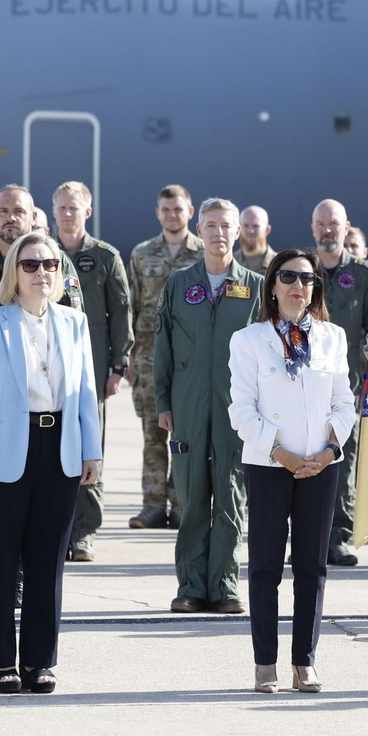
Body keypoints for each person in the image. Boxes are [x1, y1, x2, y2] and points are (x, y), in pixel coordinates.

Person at [0, 231, 103, 694]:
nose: (41, 272)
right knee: (1, 560)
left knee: (48, 563)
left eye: (49, 264)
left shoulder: (74, 323)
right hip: (6, 453)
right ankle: (1, 661)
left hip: (59, 448)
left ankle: (40, 661)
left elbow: (86, 394)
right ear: (14, 274)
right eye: (30, 265)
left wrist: (91, 451)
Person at [0, 186, 83, 607]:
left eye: (17, 211)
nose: (9, 218)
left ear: (31, 215)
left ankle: (23, 579)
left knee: (35, 505)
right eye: (2, 210)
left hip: (39, 411)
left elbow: (72, 327)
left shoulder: (50, 260)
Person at [228, 249, 355, 694]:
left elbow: (344, 403)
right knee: (265, 567)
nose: (297, 286)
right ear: (272, 285)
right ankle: (266, 663)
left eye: (306, 278)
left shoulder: (333, 338)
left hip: (320, 467)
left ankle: (305, 662)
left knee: (311, 568)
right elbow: (241, 412)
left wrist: (329, 451)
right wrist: (279, 452)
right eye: (287, 277)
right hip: (269, 465)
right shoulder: (248, 341)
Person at [156, 198, 264, 614]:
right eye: (211, 225)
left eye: (226, 226)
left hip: (237, 408)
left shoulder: (255, 287)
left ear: (238, 232)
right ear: (198, 230)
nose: (219, 232)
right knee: (193, 496)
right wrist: (163, 402)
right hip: (187, 406)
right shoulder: (179, 285)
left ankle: (225, 584)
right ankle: (192, 586)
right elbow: (162, 347)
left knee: (232, 495)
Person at [52, 181, 132, 562]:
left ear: (88, 212)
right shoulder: (40, 254)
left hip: (91, 367)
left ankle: (84, 531)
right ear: (54, 212)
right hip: (47, 368)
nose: (68, 214)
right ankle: (56, 527)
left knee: (89, 448)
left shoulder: (104, 256)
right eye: (62, 208)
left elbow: (120, 312)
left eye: (75, 208)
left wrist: (118, 367)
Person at [127, 185, 205, 530]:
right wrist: (126, 357)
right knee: (152, 435)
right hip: (148, 359)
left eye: (178, 209)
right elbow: (130, 306)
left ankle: (181, 504)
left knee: (186, 436)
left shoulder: (204, 254)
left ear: (190, 212)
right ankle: (153, 506)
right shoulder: (142, 254)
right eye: (166, 209)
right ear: (158, 213)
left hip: (192, 361)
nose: (172, 215)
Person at [310, 199, 368, 567]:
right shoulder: (299, 271)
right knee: (304, 463)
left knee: (343, 463)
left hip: (349, 388)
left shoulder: (364, 275)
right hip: (303, 385)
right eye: (321, 224)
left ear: (346, 226)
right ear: (313, 228)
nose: (327, 230)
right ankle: (306, 537)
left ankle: (339, 537)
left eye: (333, 223)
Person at [238, 206, 275, 274]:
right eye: (246, 225)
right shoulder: (228, 264)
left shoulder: (279, 264)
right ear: (239, 229)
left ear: (267, 230)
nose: (250, 231)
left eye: (256, 226)